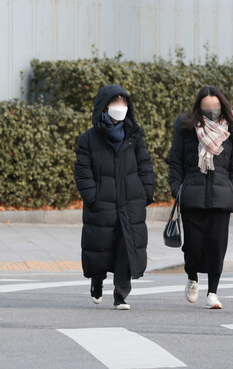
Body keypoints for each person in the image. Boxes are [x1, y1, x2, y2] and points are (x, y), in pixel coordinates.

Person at [75, 84, 155, 310]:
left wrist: (146, 193)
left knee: (126, 248)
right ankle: (97, 281)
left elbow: (145, 165)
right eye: (115, 102)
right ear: (104, 106)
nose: (120, 107)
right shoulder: (89, 139)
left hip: (130, 203)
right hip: (102, 204)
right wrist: (93, 197)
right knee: (101, 246)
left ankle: (121, 294)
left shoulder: (134, 135)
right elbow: (83, 172)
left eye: (124, 102)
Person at [168, 86, 233, 309]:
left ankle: (213, 292)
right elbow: (175, 161)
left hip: (221, 198)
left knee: (217, 245)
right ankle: (192, 276)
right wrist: (177, 188)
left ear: (222, 105)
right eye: (206, 107)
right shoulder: (186, 129)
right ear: (199, 106)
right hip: (192, 196)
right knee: (193, 246)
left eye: (215, 106)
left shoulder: (231, 132)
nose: (211, 111)